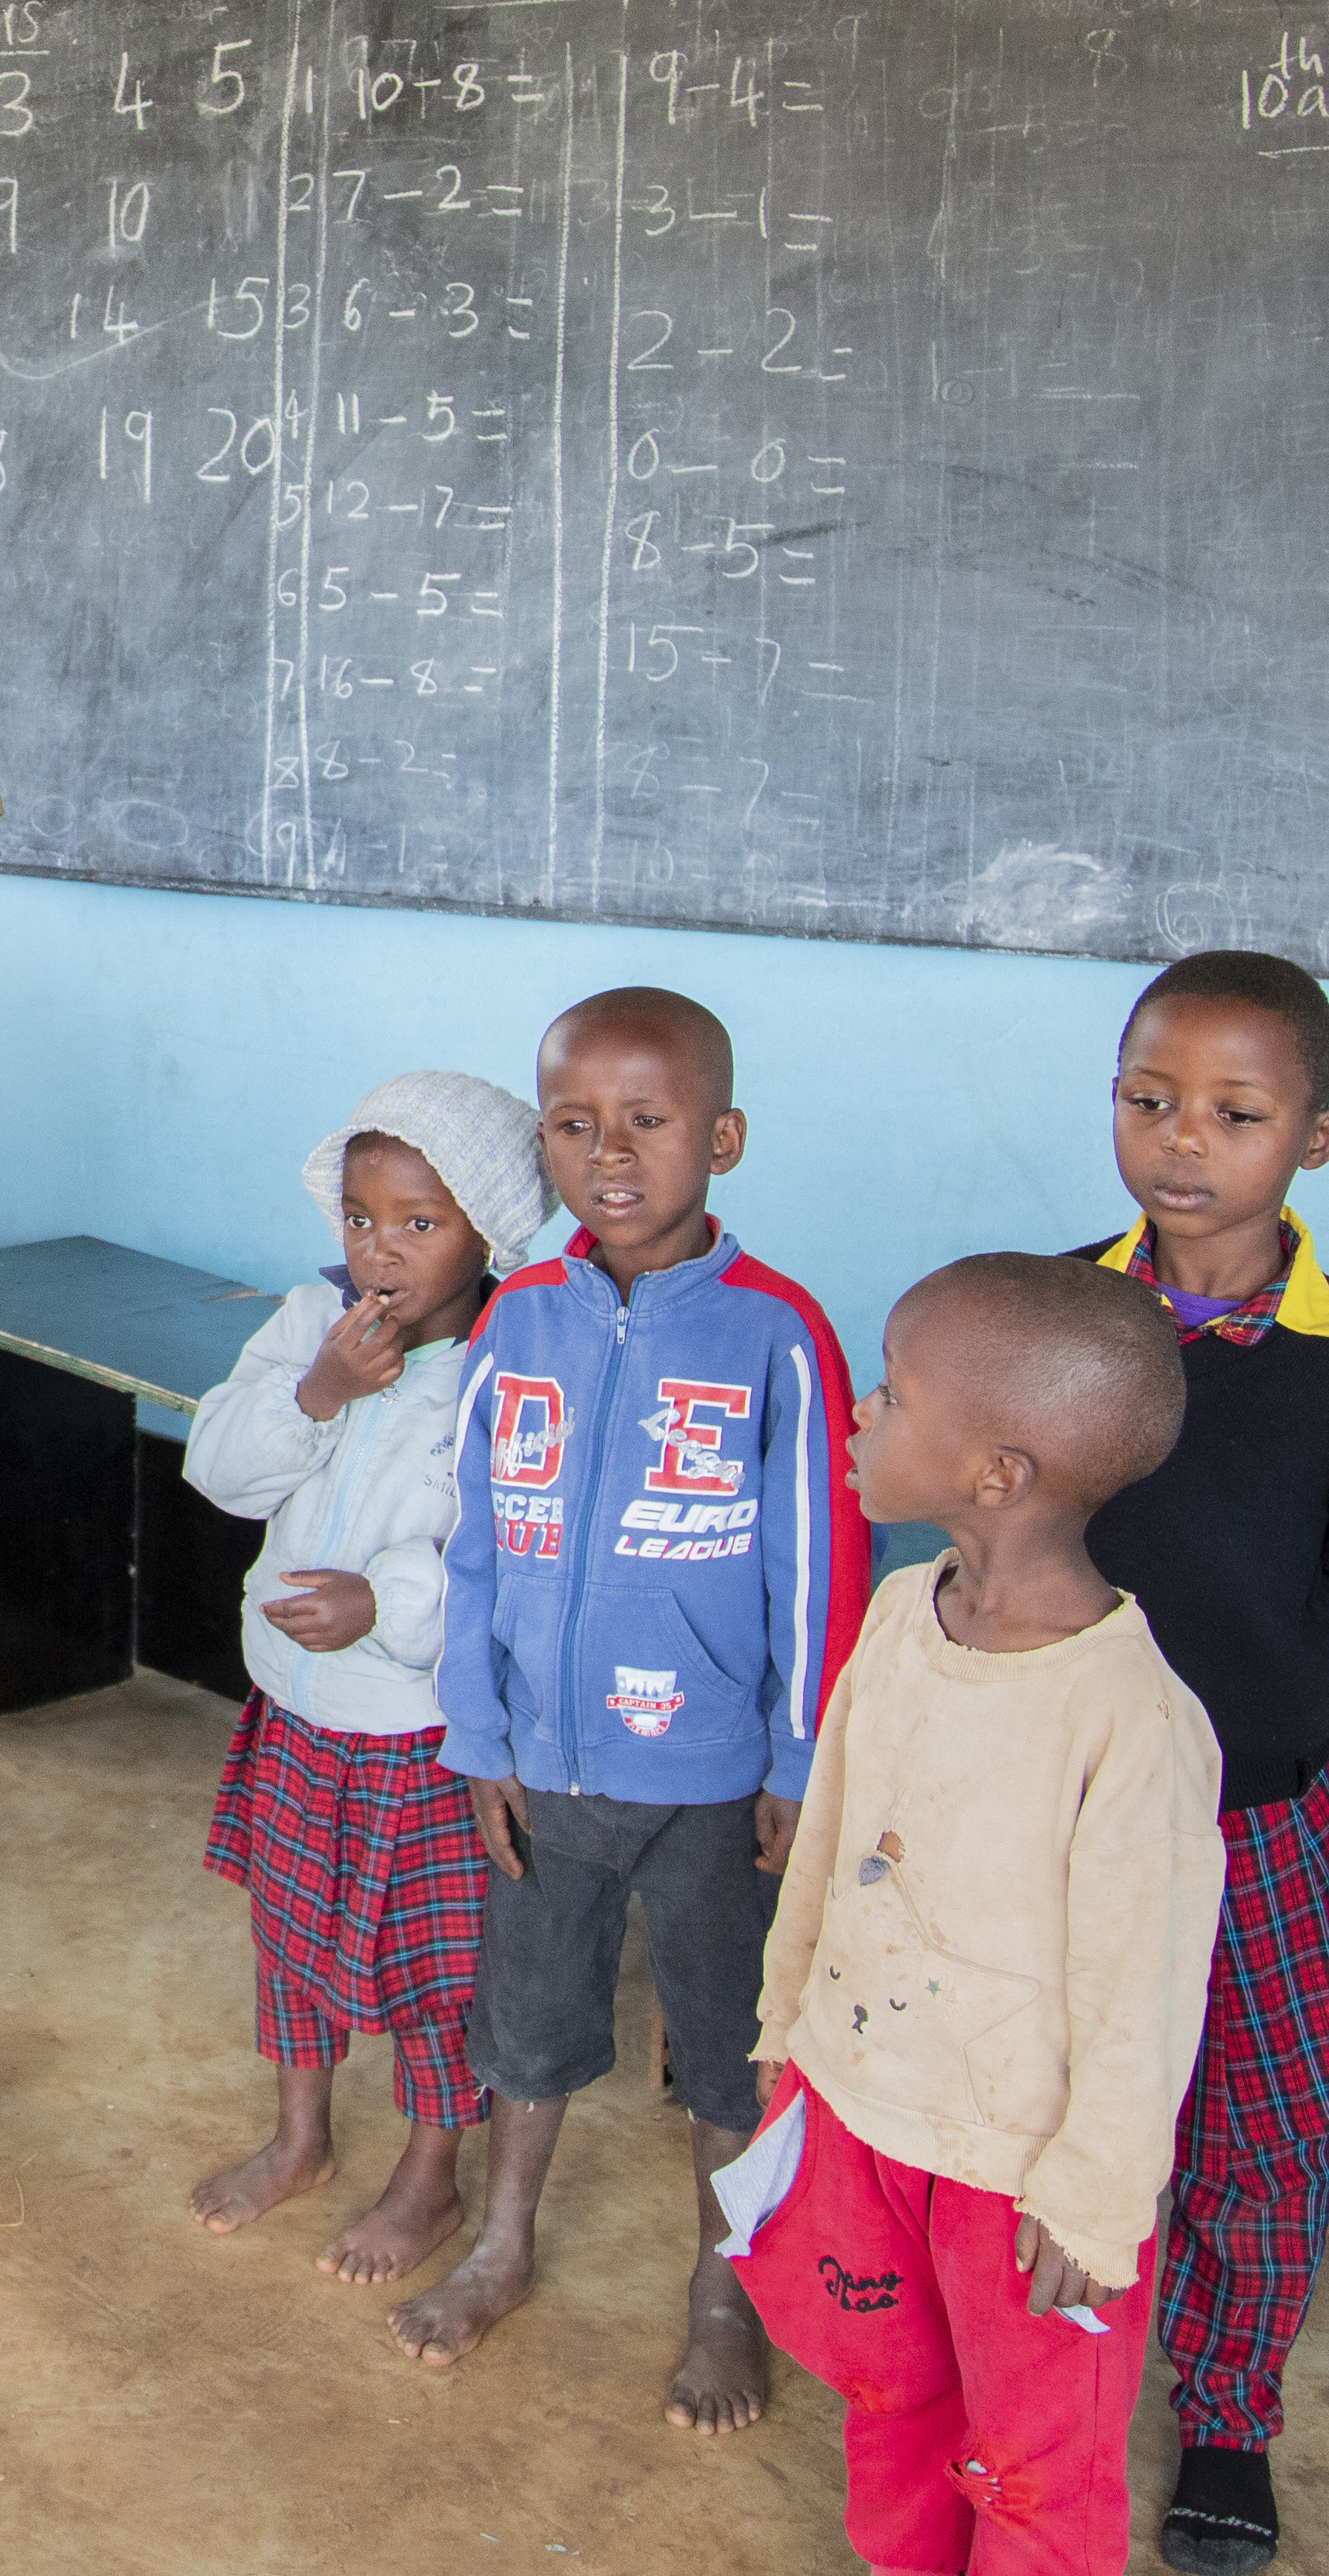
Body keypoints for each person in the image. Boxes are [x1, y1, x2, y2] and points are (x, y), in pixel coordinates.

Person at [392, 989, 862, 2429]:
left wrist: (798, 1759)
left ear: (719, 1137)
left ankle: (726, 2291)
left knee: (728, 2041)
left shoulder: (777, 1332)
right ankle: (503, 2241)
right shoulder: (515, 1321)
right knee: (526, 2022)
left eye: (648, 1122)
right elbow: (470, 1547)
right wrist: (479, 1736)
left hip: (717, 1780)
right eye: (574, 1123)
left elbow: (820, 1562)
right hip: (545, 1767)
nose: (609, 1153)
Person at [733, 1252, 1229, 2576]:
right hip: (861, 2111)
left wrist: (1097, 2198)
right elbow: (831, 1845)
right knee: (895, 2410)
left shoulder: (1130, 1720)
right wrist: (789, 2031)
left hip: (1023, 2183)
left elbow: (1149, 1988)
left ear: (996, 1474)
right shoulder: (903, 1616)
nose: (860, 1418)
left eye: (889, 1400)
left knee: (1035, 2469)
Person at [1063, 949, 1329, 2576]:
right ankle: (1050, 2386)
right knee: (1055, 2100)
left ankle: (1228, 2416)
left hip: (1252, 1813)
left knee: (1255, 2132)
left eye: (1236, 1109)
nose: (1183, 1139)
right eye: (1151, 1098)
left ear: (1321, 1132)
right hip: (1056, 1800)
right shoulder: (1046, 1315)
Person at [179, 1069, 550, 2284]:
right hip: (295, 1706)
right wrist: (320, 1390)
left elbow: (506, 1553)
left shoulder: (510, 1367)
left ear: (491, 1228)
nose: (378, 1250)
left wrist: (386, 1602)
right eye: (357, 1217)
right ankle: (300, 2140)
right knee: (290, 1937)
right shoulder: (307, 1323)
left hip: (415, 1731)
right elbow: (223, 1472)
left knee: (434, 1970)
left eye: (419, 1223)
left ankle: (430, 2178)